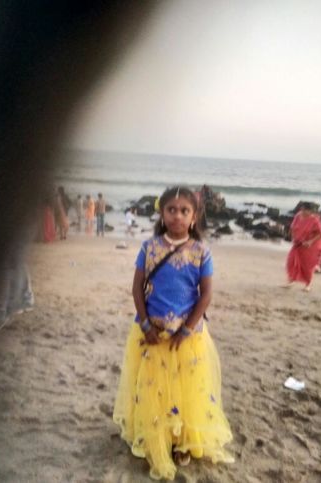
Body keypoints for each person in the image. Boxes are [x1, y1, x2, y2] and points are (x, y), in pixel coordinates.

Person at [113, 186, 233, 480]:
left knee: (187, 388)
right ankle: (157, 434)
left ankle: (182, 441)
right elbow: (136, 288)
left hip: (188, 337)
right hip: (151, 333)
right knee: (152, 387)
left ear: (194, 217)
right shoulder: (149, 248)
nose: (177, 215)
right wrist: (145, 324)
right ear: (162, 213)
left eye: (184, 211)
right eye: (171, 210)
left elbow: (205, 294)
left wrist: (187, 329)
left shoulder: (201, 251)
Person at [283, 202, 321, 291]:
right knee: (291, 261)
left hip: (309, 245)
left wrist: (310, 242)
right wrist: (293, 237)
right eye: (302, 209)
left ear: (310, 211)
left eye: (305, 210)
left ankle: (308, 284)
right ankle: (291, 280)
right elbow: (293, 228)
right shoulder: (298, 216)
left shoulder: (314, 219)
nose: (302, 211)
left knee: (307, 265)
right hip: (298, 243)